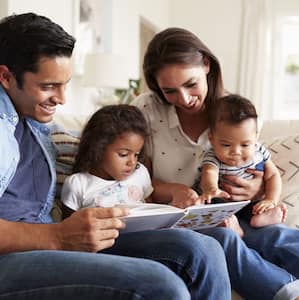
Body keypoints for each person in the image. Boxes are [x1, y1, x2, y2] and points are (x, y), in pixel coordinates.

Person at [0, 13, 232, 300]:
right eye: (48, 86)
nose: (62, 99)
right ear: (6, 77)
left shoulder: (32, 122)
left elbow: (93, 145)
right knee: (160, 285)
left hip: (48, 242)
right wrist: (58, 236)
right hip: (13, 258)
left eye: (64, 84)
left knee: (201, 250)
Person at [132, 27, 299, 300]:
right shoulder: (146, 110)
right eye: (169, 91)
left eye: (191, 84)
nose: (184, 99)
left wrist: (255, 190)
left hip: (231, 211)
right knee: (224, 240)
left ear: (207, 65)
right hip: (176, 219)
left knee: (275, 236)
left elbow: (256, 164)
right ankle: (290, 294)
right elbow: (135, 180)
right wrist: (173, 190)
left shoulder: (235, 111)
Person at [195, 94, 287, 230]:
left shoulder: (258, 151)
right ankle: (232, 226)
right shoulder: (212, 156)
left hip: (249, 202)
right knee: (209, 207)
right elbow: (209, 172)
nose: (236, 152)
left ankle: (265, 216)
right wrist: (211, 189)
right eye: (226, 145)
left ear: (256, 138)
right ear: (212, 139)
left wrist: (270, 199)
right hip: (222, 201)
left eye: (245, 145)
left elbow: (273, 175)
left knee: (259, 206)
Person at [61, 104, 153, 218]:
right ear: (98, 148)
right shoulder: (78, 184)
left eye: (136, 155)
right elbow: (68, 227)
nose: (132, 162)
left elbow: (152, 210)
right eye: (123, 154)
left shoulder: (140, 173)